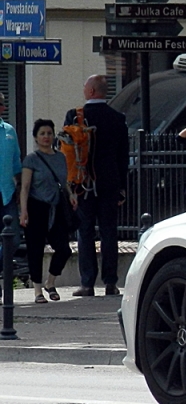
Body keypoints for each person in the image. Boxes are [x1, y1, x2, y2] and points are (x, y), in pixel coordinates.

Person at [64, 75, 129, 297]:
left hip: (83, 182)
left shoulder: (75, 116)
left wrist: (70, 185)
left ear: (91, 91)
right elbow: (123, 156)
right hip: (110, 181)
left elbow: (67, 151)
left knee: (85, 231)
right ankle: (110, 282)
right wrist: (122, 185)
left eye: (85, 87)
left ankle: (87, 283)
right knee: (109, 231)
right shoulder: (117, 118)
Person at [19, 119, 73, 303]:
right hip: (36, 207)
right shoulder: (31, 159)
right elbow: (25, 187)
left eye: (49, 133)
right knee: (36, 250)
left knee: (64, 249)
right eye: (42, 133)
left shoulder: (60, 157)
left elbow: (63, 181)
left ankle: (51, 282)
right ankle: (37, 291)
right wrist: (24, 211)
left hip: (56, 207)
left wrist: (71, 194)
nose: (46, 137)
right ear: (35, 137)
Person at [0, 92, 23, 228]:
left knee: (12, 239)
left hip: (7, 194)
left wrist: (20, 187)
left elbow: (16, 163)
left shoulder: (9, 131)